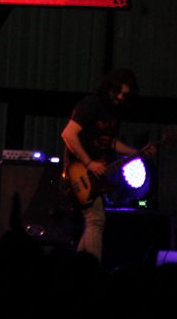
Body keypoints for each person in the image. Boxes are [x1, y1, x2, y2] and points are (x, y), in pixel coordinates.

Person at [60, 69, 155, 262]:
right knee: (95, 220)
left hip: (95, 175)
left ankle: (79, 266)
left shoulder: (114, 111)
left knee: (93, 222)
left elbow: (110, 142)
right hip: (80, 172)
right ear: (108, 87)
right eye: (117, 92)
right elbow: (68, 134)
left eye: (125, 95)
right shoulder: (91, 104)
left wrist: (137, 153)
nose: (120, 97)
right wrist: (89, 163)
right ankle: (93, 271)